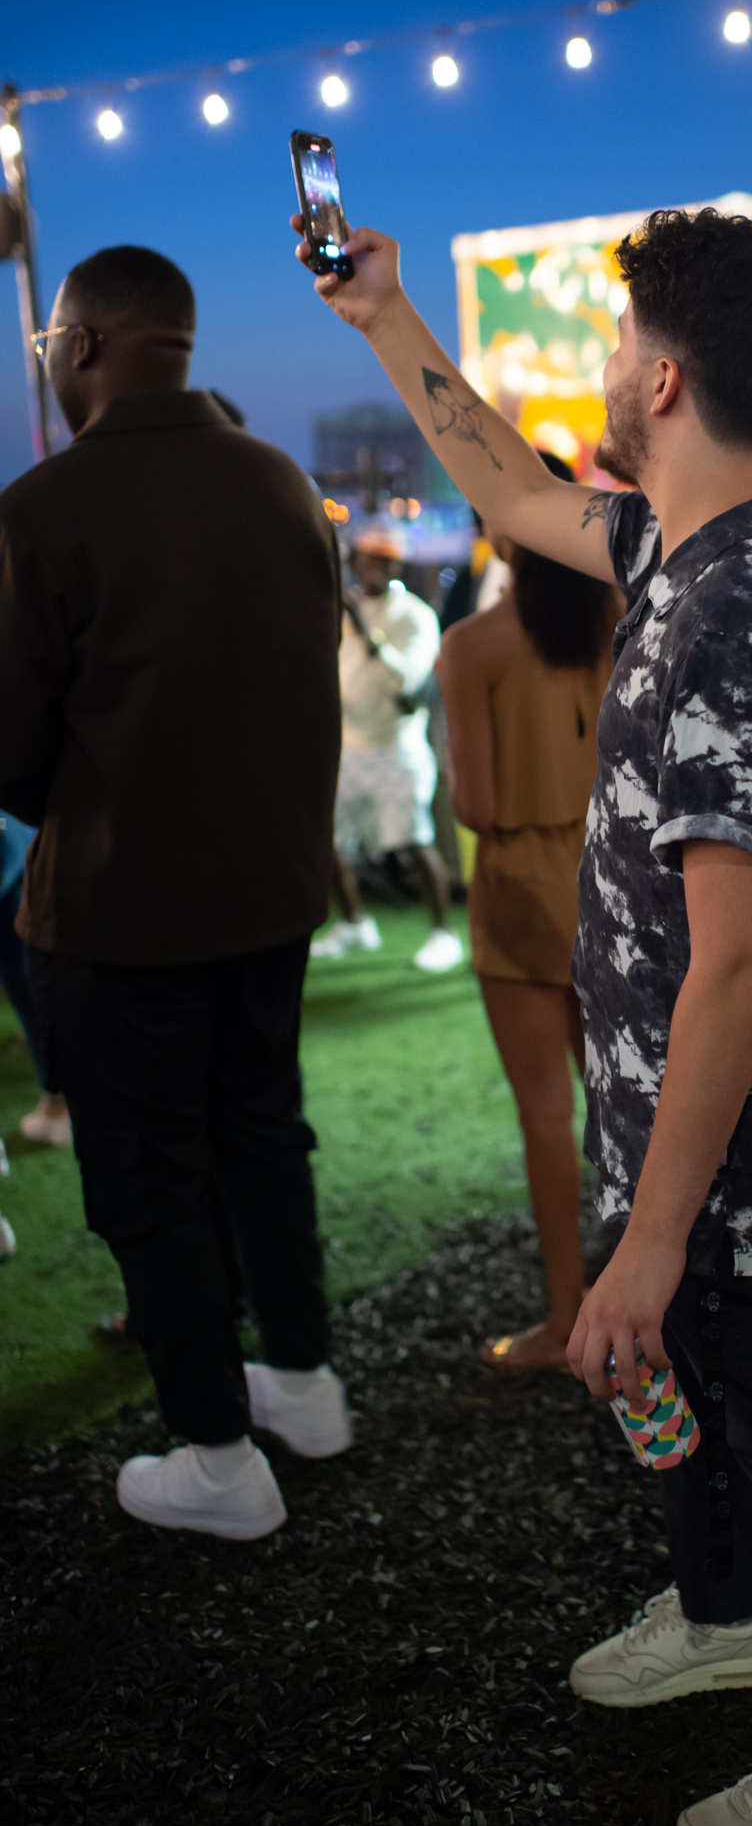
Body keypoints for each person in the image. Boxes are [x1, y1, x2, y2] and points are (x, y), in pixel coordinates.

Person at [296, 203, 752, 1826]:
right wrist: (384, 319)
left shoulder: (735, 613)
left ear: (659, 381)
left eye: (613, 343)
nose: (598, 368)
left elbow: (734, 959)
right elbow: (515, 494)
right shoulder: (699, 543)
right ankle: (726, 1619)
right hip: (675, 1120)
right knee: (681, 1389)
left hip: (740, 1155)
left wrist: (643, 1242)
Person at [0, 245, 351, 1539]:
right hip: (269, 896)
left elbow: (11, 756)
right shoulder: (281, 483)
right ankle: (303, 1384)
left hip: (120, 909)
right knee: (260, 1136)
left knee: (147, 1178)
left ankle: (217, 1456)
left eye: (50, 342)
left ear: (82, 344)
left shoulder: (43, 507)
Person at [438, 458, 616, 1370]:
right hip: (619, 882)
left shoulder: (473, 645)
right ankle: (660, 1297)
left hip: (519, 889)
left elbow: (475, 806)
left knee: (546, 1115)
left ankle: (565, 1314)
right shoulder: (622, 619)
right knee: (628, 1106)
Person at [313, 520, 463, 973]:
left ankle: (443, 933)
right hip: (347, 746)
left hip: (396, 748)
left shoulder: (414, 615)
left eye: (385, 558)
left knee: (414, 843)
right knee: (330, 844)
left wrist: (365, 631)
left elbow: (406, 685)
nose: (374, 565)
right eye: (368, 555)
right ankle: (354, 923)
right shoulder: (338, 608)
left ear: (399, 564)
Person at [0, 812, 73, 1145]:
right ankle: (61, 1104)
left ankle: (62, 1104)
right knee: (28, 977)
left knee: (28, 978)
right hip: (15, 834)